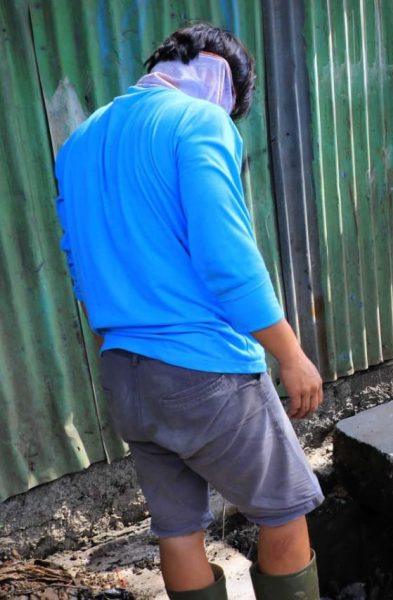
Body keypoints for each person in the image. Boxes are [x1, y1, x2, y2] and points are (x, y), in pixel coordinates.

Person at [54, 24, 324, 599]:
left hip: (125, 374)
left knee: (177, 531)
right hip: (203, 370)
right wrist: (291, 354)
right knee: (284, 511)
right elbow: (226, 258)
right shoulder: (200, 121)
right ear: (226, 86)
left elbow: (81, 268)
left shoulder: (79, 142)